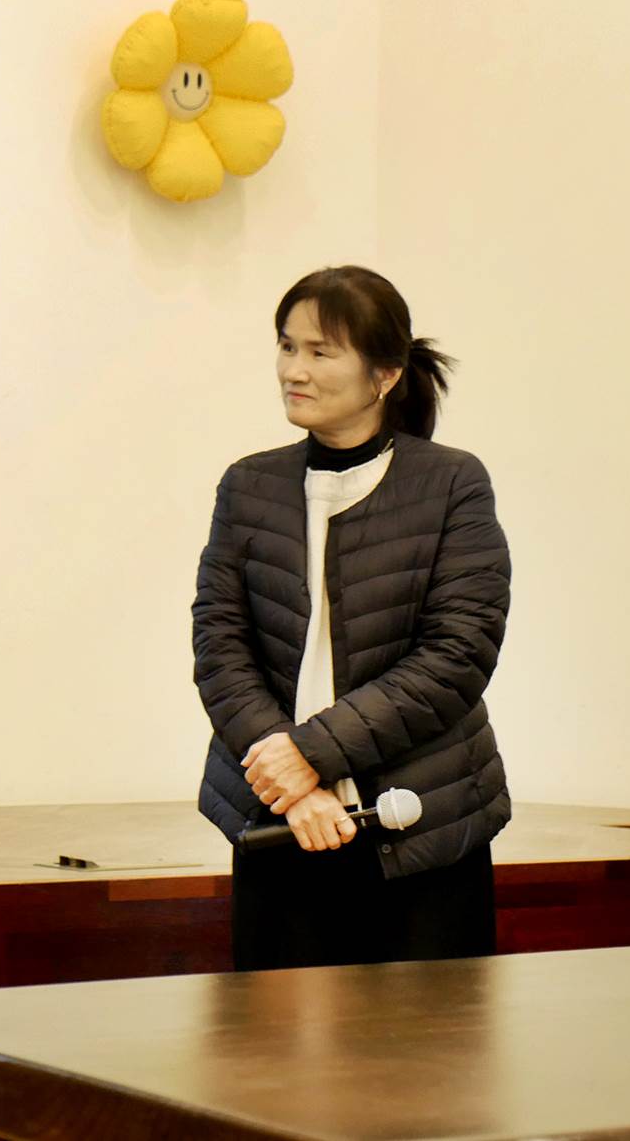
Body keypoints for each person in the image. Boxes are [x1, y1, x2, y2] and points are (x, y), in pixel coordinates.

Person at [192, 265, 512, 972]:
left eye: (320, 351)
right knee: (269, 1040)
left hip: (423, 821)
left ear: (385, 374)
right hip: (279, 818)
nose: (293, 370)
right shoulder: (248, 485)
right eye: (286, 346)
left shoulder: (452, 483)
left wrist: (311, 753)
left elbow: (457, 654)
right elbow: (219, 645)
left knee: (427, 1041)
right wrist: (292, 781)